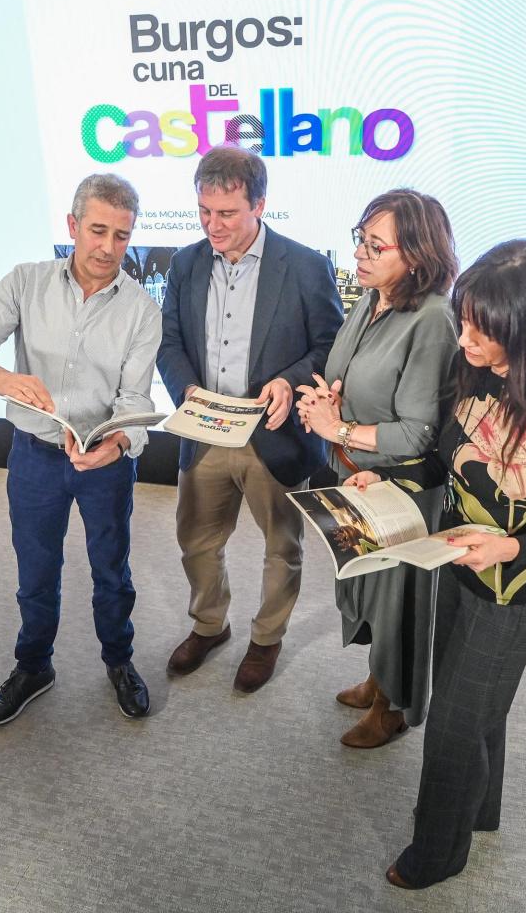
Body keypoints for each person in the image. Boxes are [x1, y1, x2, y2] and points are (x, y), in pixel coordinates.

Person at [347, 239, 526, 888]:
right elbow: (443, 456)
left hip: (511, 592)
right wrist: (390, 479)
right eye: (466, 317)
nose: (466, 334)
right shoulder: (475, 370)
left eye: (485, 327)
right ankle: (478, 813)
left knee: (453, 726)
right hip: (454, 558)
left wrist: (513, 546)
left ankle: (440, 851)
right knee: (479, 709)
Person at [157, 146, 344, 692]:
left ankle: (266, 639)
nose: (212, 226)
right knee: (196, 540)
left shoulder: (307, 266)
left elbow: (329, 347)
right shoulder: (186, 262)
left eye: (227, 214)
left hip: (275, 434)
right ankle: (210, 625)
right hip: (206, 432)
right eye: (204, 212)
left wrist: (291, 379)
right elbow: (170, 341)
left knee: (281, 548)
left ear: (260, 204)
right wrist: (186, 389)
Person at [0, 174, 162, 724]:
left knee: (111, 571)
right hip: (34, 456)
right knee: (36, 570)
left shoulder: (141, 309)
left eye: (121, 235)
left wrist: (116, 444)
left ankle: (119, 661)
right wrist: (1, 378)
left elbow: (134, 398)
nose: (108, 248)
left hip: (104, 464)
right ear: (72, 226)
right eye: (97, 231)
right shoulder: (25, 282)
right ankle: (34, 665)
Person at [296, 189, 458, 746]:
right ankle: (377, 679)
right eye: (359, 241)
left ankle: (392, 706)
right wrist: (327, 403)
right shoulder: (371, 299)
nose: (360, 255)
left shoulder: (433, 318)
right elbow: (351, 377)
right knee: (368, 587)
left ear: (414, 255)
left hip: (404, 486)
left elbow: (418, 432)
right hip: (357, 472)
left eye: (375, 245)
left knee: (397, 601)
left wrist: (333, 428)